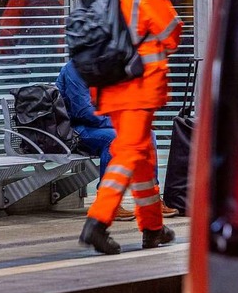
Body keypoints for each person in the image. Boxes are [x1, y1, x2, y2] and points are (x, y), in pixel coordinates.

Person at [78, 0, 183, 255]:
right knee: (128, 153)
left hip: (109, 90)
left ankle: (152, 228)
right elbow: (172, 34)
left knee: (142, 158)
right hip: (139, 88)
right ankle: (97, 222)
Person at [56, 60, 180, 221]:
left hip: (103, 124)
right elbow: (83, 112)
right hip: (77, 130)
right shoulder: (76, 69)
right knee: (114, 139)